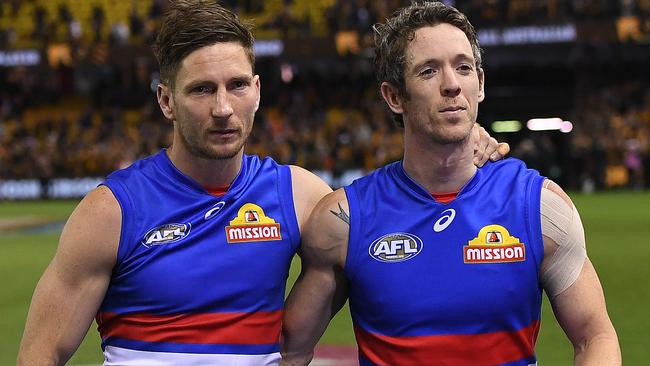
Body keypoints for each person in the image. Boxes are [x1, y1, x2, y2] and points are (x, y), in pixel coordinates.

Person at [16, 1, 508, 365]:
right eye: (201, 90)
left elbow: (399, 204)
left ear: (257, 90)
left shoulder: (297, 196)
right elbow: (42, 354)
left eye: (236, 86)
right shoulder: (112, 211)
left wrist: (469, 139)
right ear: (166, 100)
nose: (223, 108)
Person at [281, 2, 621, 366]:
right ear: (394, 96)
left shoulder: (540, 207)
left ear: (481, 84)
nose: (452, 85)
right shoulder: (345, 220)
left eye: (463, 67)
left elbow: (595, 336)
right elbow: (291, 352)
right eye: (429, 71)